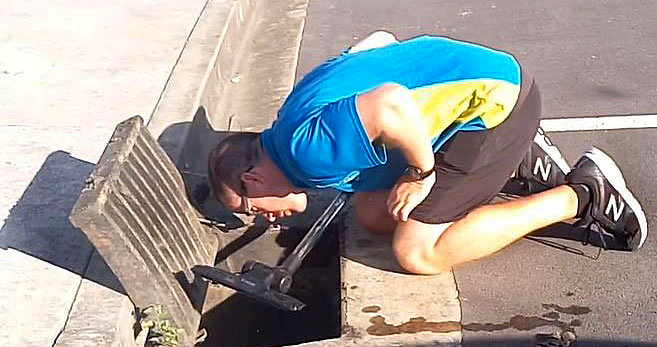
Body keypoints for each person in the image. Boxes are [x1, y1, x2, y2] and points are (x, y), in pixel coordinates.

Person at [208, 31, 647, 274]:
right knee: (373, 214)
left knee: (417, 252)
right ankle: (514, 161)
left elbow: (389, 103)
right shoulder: (289, 121)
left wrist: (420, 173)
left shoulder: (304, 155)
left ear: (253, 180)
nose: (263, 218)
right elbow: (376, 43)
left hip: (497, 105)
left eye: (251, 209)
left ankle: (584, 193)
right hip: (484, 93)